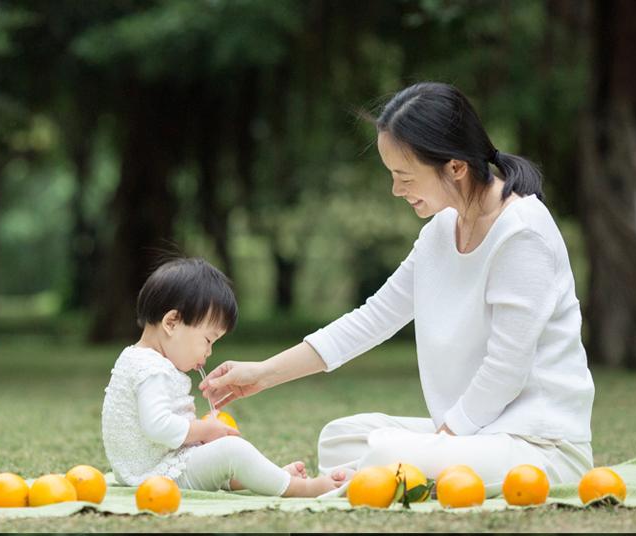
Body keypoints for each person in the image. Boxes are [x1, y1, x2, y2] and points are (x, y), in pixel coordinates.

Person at [200, 82, 595, 497]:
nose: (395, 190)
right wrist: (262, 374)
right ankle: (393, 466)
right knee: (339, 437)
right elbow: (370, 320)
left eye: (404, 176)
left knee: (385, 452)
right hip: (478, 435)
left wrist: (439, 441)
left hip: (539, 447)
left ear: (456, 167)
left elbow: (506, 369)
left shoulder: (522, 234)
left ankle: (388, 468)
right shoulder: (441, 231)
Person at [101, 257, 348, 497]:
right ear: (172, 322)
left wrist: (202, 436)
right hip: (158, 477)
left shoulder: (137, 359)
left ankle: (267, 476)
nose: (209, 352)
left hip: (154, 468)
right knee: (232, 450)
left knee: (224, 452)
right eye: (208, 340)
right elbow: (158, 426)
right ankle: (301, 488)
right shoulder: (151, 369)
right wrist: (204, 430)